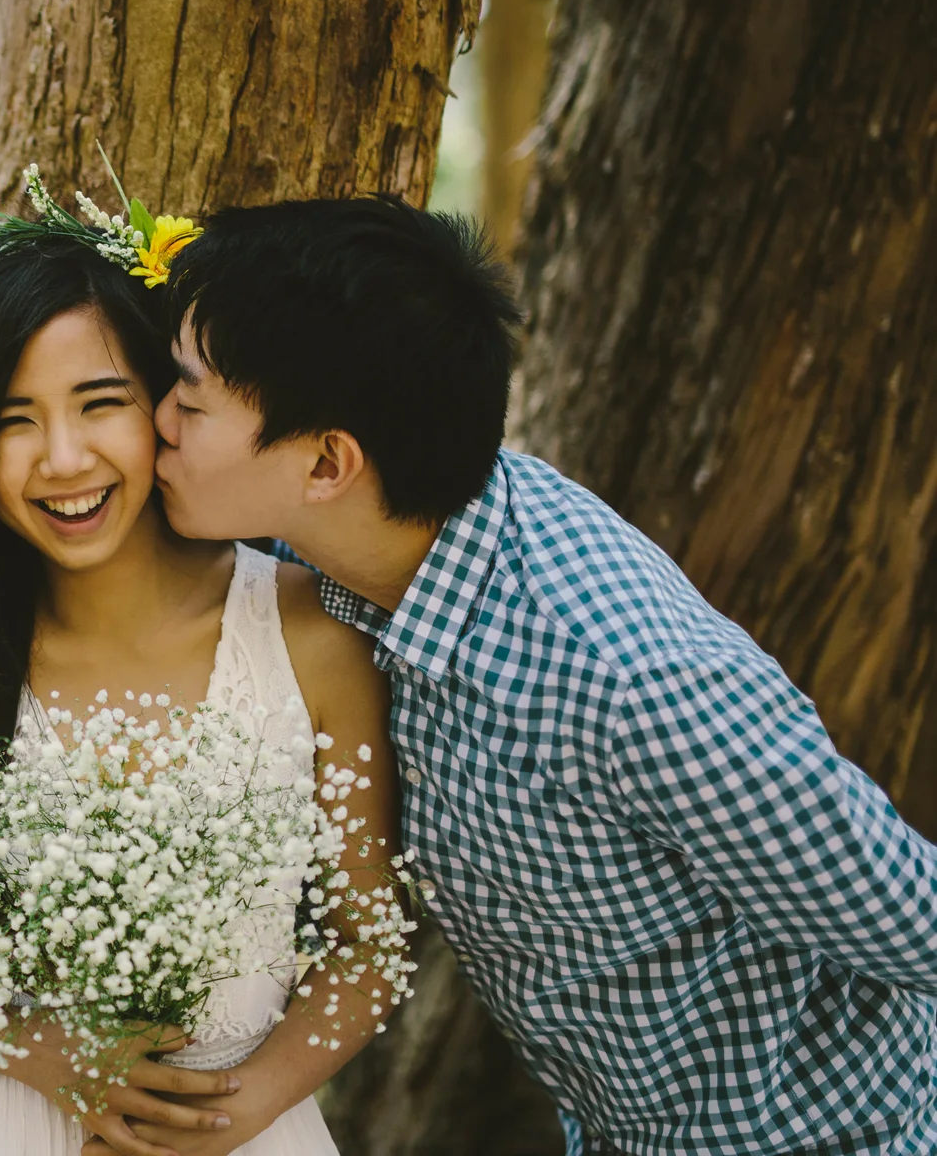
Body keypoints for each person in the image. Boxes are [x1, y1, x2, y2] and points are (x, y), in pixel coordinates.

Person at [154, 195, 937, 1156]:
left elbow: (918, 922)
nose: (154, 422)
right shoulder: (355, 537)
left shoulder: (633, 684)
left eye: (188, 404)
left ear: (327, 462)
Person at [0, 224, 404, 1156]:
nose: (61, 459)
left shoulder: (308, 637)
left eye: (100, 403)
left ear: (163, 411)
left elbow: (365, 946)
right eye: (12, 420)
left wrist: (219, 1115)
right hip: (2, 1126)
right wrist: (31, 1050)